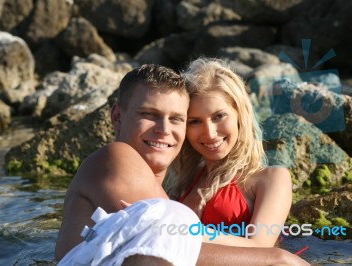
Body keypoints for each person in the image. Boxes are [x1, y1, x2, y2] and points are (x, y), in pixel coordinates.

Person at [55, 64, 310, 265]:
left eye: (177, 119)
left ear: (240, 116)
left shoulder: (267, 178)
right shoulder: (118, 158)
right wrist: (278, 260)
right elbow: (167, 243)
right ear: (117, 116)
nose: (164, 130)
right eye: (149, 115)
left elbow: (171, 238)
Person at [166, 57, 292, 247]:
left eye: (219, 116)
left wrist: (173, 228)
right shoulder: (182, 181)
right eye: (194, 121)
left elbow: (259, 247)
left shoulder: (271, 178)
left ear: (240, 115)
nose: (209, 133)